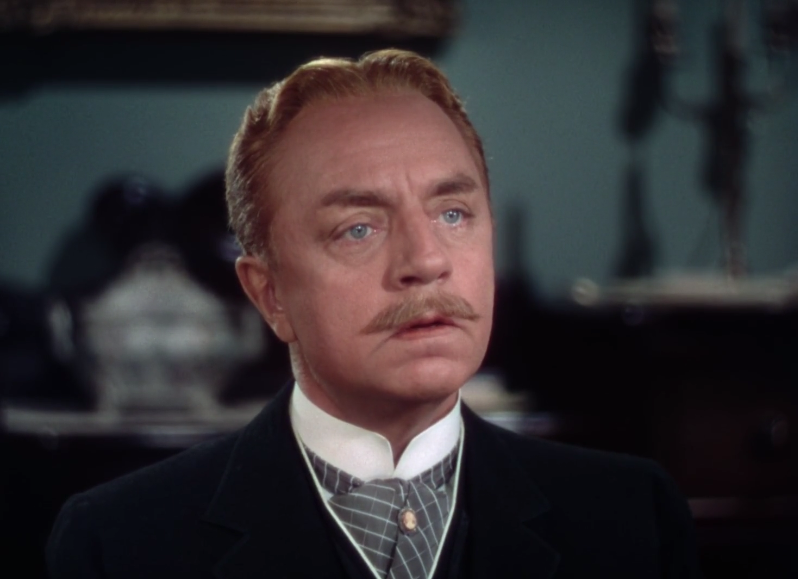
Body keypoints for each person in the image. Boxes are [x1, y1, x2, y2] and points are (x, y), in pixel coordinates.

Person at [47, 49, 701, 579]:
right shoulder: (118, 545)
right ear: (270, 294)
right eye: (358, 228)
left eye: (453, 214)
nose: (426, 260)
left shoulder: (633, 519)